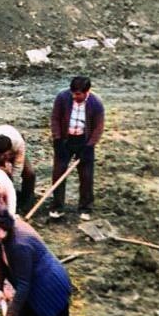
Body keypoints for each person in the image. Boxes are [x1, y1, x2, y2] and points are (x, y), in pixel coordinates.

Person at [50, 76, 104, 215]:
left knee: (86, 176)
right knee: (58, 173)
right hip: (65, 141)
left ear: (87, 91)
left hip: (84, 142)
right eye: (73, 93)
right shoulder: (62, 97)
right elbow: (55, 118)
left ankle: (85, 208)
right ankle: (58, 206)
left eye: (78, 94)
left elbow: (98, 127)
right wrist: (57, 139)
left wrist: (90, 145)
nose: (74, 96)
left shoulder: (96, 103)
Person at [0, 125, 36, 212]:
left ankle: (26, 200)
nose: (2, 157)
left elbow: (18, 167)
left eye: (4, 155)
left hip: (14, 152)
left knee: (29, 173)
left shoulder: (18, 143)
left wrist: (12, 188)